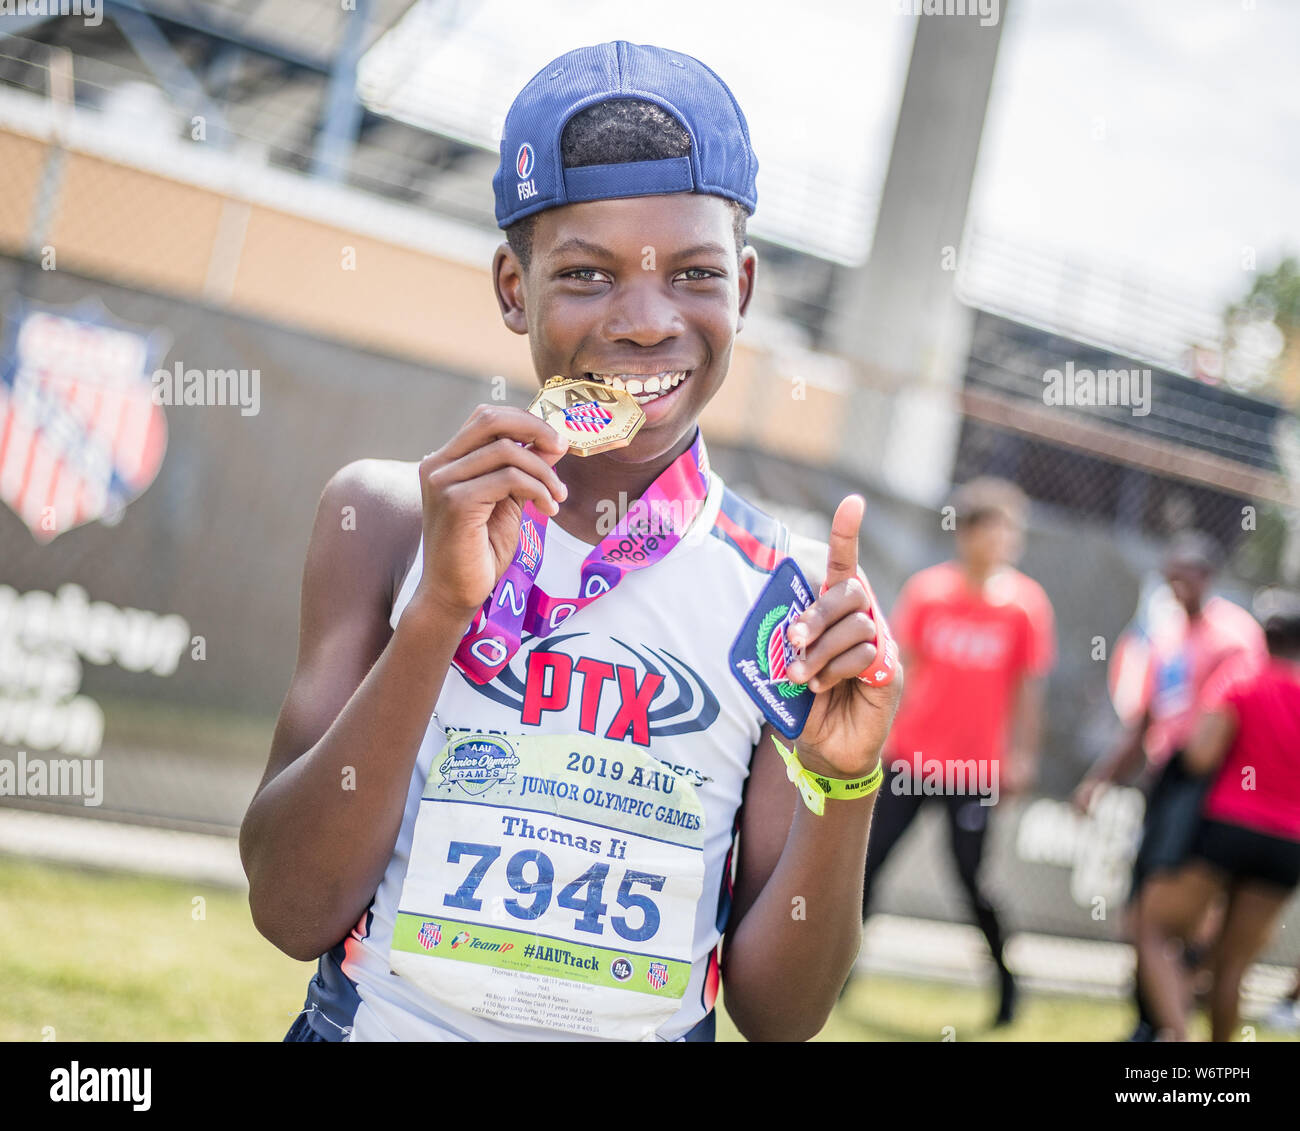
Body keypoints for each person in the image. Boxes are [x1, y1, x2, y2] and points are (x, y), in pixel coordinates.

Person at [238, 41, 902, 1043]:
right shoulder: (383, 519)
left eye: (694, 275)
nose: (646, 322)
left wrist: (845, 783)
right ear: (514, 285)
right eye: (587, 274)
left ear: (745, 288)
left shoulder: (789, 594)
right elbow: (291, 910)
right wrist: (437, 619)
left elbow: (780, 1017)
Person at [856, 477, 1055, 1026]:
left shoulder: (1026, 607)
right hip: (909, 760)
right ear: (965, 534)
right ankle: (839, 972)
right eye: (994, 532)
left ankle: (1007, 986)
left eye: (1011, 534)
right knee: (865, 867)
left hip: (974, 771)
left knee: (972, 882)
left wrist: (1022, 758)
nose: (1005, 544)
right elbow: (897, 673)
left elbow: (1028, 691)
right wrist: (877, 738)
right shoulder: (927, 592)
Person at [1073, 531, 1266, 1041]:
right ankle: (1152, 1018)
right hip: (1168, 782)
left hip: (1210, 787)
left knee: (1182, 915)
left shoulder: (1235, 636)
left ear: (1208, 576)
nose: (1176, 584)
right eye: (1170, 574)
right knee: (1142, 906)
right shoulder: (1165, 639)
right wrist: (1098, 782)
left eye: (1186, 573)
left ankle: (1175, 1016)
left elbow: (1240, 722)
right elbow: (1145, 723)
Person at [1137, 610, 1300, 1041]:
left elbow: (1200, 755)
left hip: (1226, 829)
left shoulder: (1242, 680)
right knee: (1234, 966)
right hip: (1288, 844)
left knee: (1151, 927)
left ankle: (1178, 1037)